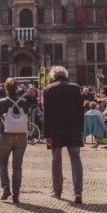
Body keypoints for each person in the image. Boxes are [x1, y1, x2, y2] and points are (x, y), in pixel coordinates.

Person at [43, 66, 85, 204]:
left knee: (56, 160)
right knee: (75, 159)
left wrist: (46, 134)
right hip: (73, 128)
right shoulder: (75, 87)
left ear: (53, 76)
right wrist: (81, 129)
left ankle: (57, 191)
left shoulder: (48, 89)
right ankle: (77, 191)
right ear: (65, 75)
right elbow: (80, 110)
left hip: (56, 130)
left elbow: (46, 114)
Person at [0, 78, 28, 203]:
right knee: (17, 167)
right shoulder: (24, 102)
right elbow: (27, 116)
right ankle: (16, 194)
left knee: (2, 164)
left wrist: (2, 128)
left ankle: (5, 188)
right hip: (21, 135)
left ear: (6, 89)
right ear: (17, 88)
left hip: (6, 135)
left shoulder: (2, 102)